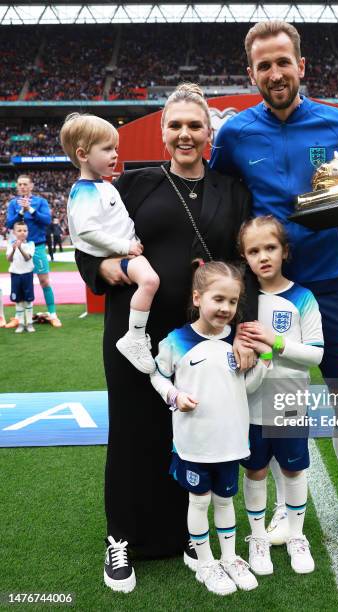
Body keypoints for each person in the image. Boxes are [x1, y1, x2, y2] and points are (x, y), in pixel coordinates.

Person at [210, 20, 338, 554]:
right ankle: (291, 517)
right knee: (280, 404)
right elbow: (224, 203)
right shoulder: (236, 134)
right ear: (251, 74)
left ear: (301, 66)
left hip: (330, 286)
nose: (274, 73)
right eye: (263, 66)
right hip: (270, 293)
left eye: (282, 62)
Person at [74, 83, 258, 592]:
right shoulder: (132, 186)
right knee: (134, 433)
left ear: (209, 132)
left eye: (194, 125)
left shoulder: (232, 190)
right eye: (174, 125)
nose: (184, 134)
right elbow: (87, 243)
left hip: (205, 344)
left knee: (195, 435)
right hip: (136, 337)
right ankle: (123, 539)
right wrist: (111, 268)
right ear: (161, 133)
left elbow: (245, 264)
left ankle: (187, 536)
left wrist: (243, 330)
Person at [151, 261, 269, 596]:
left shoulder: (238, 341)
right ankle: (206, 563)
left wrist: (264, 363)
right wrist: (174, 395)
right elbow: (156, 375)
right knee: (199, 502)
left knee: (225, 501)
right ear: (197, 296)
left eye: (232, 302)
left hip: (230, 442)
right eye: (218, 299)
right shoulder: (176, 340)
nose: (225, 308)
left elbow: (245, 386)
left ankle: (230, 557)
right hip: (194, 443)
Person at [238, 215, 323, 575]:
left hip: (289, 404)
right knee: (255, 470)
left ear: (285, 251)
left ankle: (295, 536)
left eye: (270, 247)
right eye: (254, 251)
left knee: (292, 469)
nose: (263, 256)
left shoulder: (302, 298)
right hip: (249, 405)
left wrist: (275, 343)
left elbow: (316, 354)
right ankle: (257, 538)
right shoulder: (241, 300)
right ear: (245, 258)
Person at [61, 113, 160, 374]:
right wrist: (123, 246)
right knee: (150, 281)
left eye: (115, 148)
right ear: (83, 154)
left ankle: (136, 335)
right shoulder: (84, 191)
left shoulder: (103, 186)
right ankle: (135, 337)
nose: (115, 154)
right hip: (122, 256)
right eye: (106, 149)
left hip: (126, 253)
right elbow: (86, 232)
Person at [6, 175, 62, 328]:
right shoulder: (13, 203)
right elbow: (10, 224)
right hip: (19, 248)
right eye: (20, 184)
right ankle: (19, 317)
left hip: (37, 247)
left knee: (44, 281)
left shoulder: (40, 202)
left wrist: (30, 209)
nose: (22, 187)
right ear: (17, 187)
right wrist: (21, 213)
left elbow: (47, 221)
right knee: (20, 282)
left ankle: (53, 314)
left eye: (25, 184)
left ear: (31, 186)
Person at [6, 220, 35, 333]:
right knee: (18, 300)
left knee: (28, 300)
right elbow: (9, 259)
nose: (22, 232)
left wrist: (20, 248)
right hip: (15, 275)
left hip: (27, 275)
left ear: (27, 232)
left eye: (25, 230)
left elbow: (28, 258)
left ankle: (29, 323)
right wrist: (13, 249)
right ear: (14, 232)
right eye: (19, 230)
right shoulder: (10, 244)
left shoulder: (30, 244)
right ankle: (21, 323)